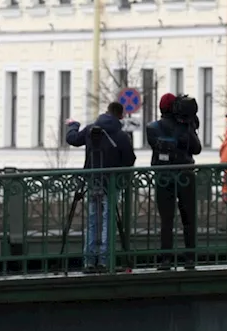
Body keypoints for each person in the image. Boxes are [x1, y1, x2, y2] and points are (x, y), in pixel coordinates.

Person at [65, 101, 136, 272]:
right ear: (121, 115)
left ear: (106, 111)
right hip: (110, 184)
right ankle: (105, 260)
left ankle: (89, 260)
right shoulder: (120, 135)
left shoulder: (91, 130)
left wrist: (73, 125)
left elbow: (72, 139)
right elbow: (130, 159)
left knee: (92, 221)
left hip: (92, 181)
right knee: (108, 221)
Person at [146, 93, 203, 270]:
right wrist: (188, 126)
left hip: (164, 177)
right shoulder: (185, 126)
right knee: (189, 219)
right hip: (186, 175)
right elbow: (197, 149)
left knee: (166, 220)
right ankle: (190, 259)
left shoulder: (152, 128)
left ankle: (165, 260)